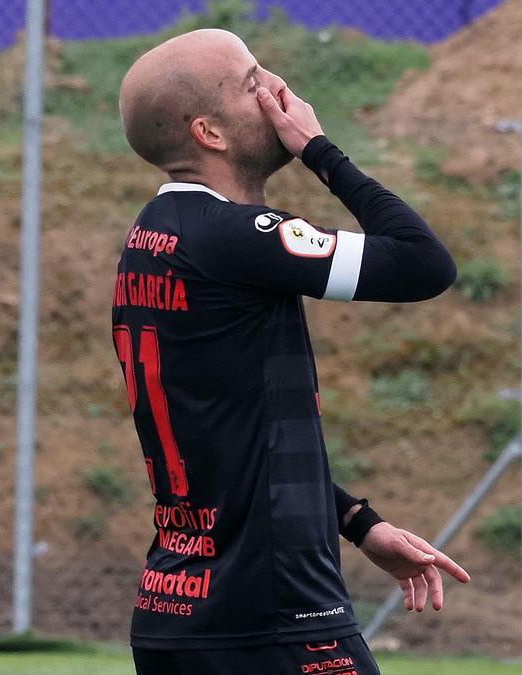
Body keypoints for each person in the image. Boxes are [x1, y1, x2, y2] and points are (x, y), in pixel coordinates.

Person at [113, 29, 470, 674]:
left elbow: (233, 437)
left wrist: (359, 523)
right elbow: (425, 264)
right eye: (254, 84)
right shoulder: (234, 236)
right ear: (209, 134)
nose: (281, 93)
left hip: (179, 616)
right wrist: (319, 150)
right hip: (274, 615)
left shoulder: (153, 234)